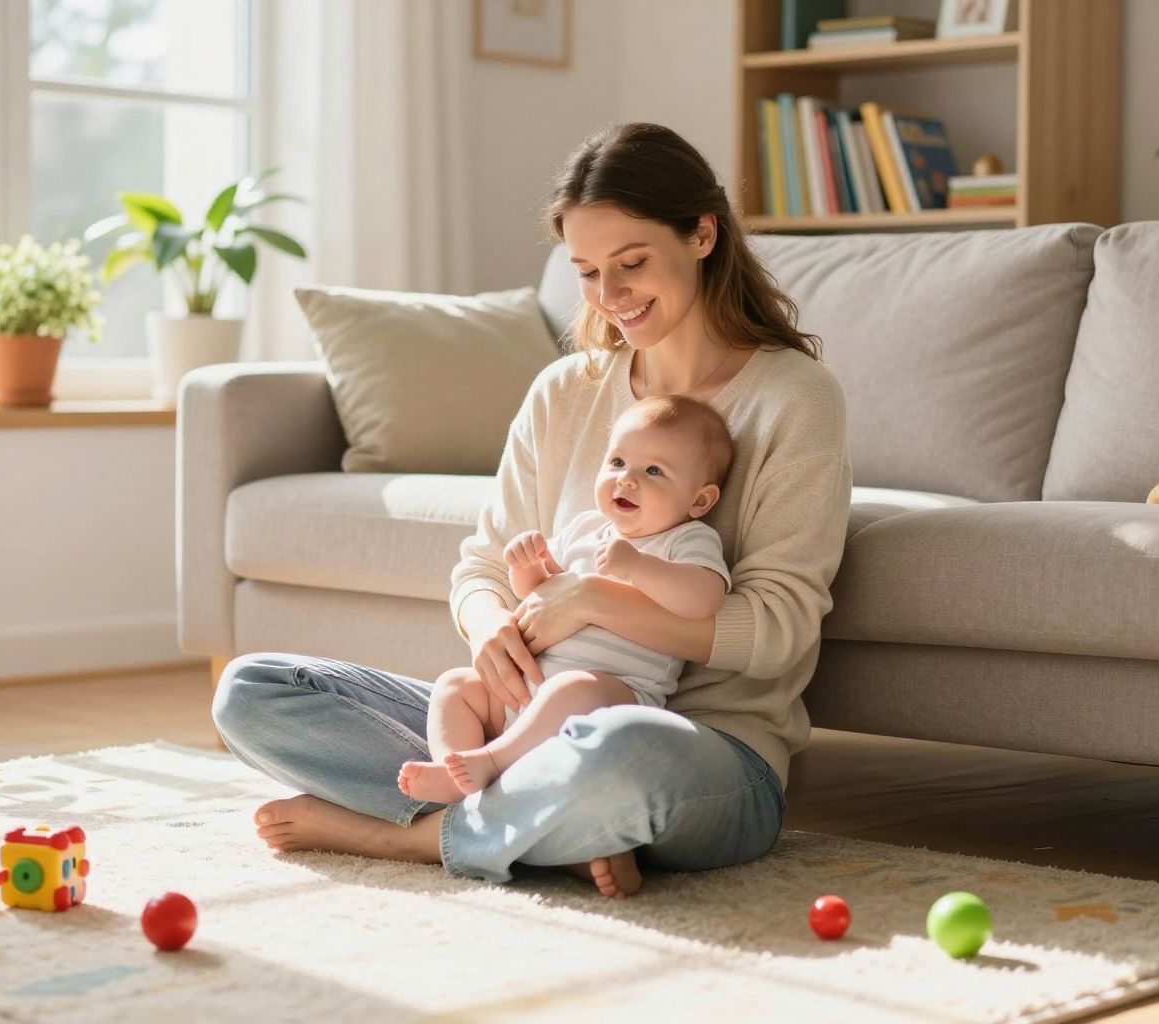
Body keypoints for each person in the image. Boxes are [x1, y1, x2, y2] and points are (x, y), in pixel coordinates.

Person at [212, 121, 852, 900]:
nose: (610, 298)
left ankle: (405, 837)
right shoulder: (567, 391)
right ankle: (545, 831)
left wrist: (591, 599)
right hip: (515, 729)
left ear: (703, 234)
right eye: (586, 272)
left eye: (632, 264)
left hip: (693, 747)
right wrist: (491, 634)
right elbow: (482, 567)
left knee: (623, 757)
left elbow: (778, 630)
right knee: (253, 691)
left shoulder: (794, 399)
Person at [396, 393, 734, 803]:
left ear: (699, 500)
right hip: (525, 692)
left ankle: (492, 762)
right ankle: (455, 768)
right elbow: (538, 595)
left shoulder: (687, 540)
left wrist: (638, 568)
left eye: (654, 471)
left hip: (612, 695)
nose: (627, 480)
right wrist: (527, 566)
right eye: (617, 463)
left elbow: (703, 600)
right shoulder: (585, 528)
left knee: (574, 688)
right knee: (455, 685)